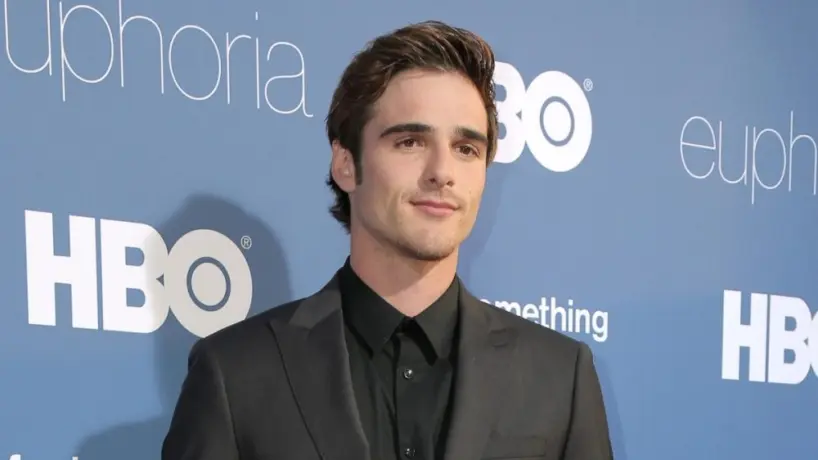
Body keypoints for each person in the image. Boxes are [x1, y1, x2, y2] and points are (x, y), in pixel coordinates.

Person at [161, 20, 613, 460]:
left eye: (466, 149)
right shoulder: (236, 374)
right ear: (346, 163)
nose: (442, 172)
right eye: (411, 142)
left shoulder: (558, 377)